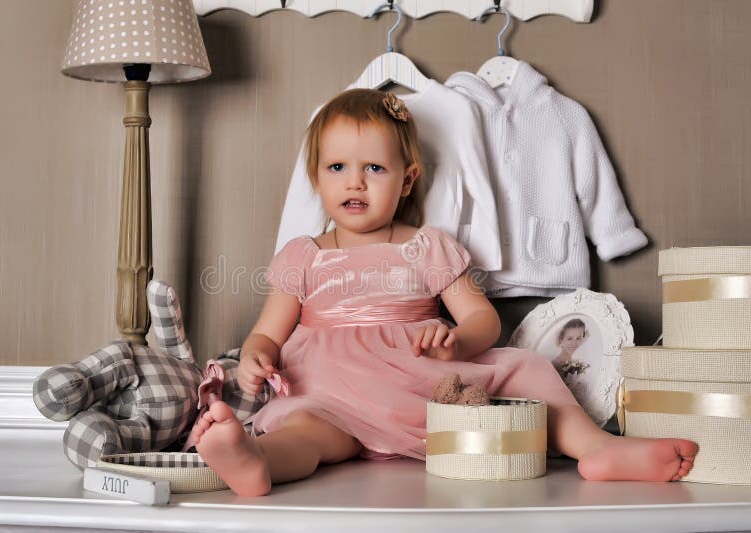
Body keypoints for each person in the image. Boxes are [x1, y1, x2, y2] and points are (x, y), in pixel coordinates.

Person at [189, 89, 697, 496]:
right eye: (338, 168)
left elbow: (483, 320)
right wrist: (257, 357)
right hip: (329, 391)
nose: (356, 183)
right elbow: (266, 335)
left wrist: (456, 341)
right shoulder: (305, 254)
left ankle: (596, 448)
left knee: (528, 368)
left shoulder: (427, 246)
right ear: (317, 178)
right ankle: (256, 462)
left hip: (419, 380)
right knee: (307, 436)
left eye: (375, 169)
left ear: (407, 180)